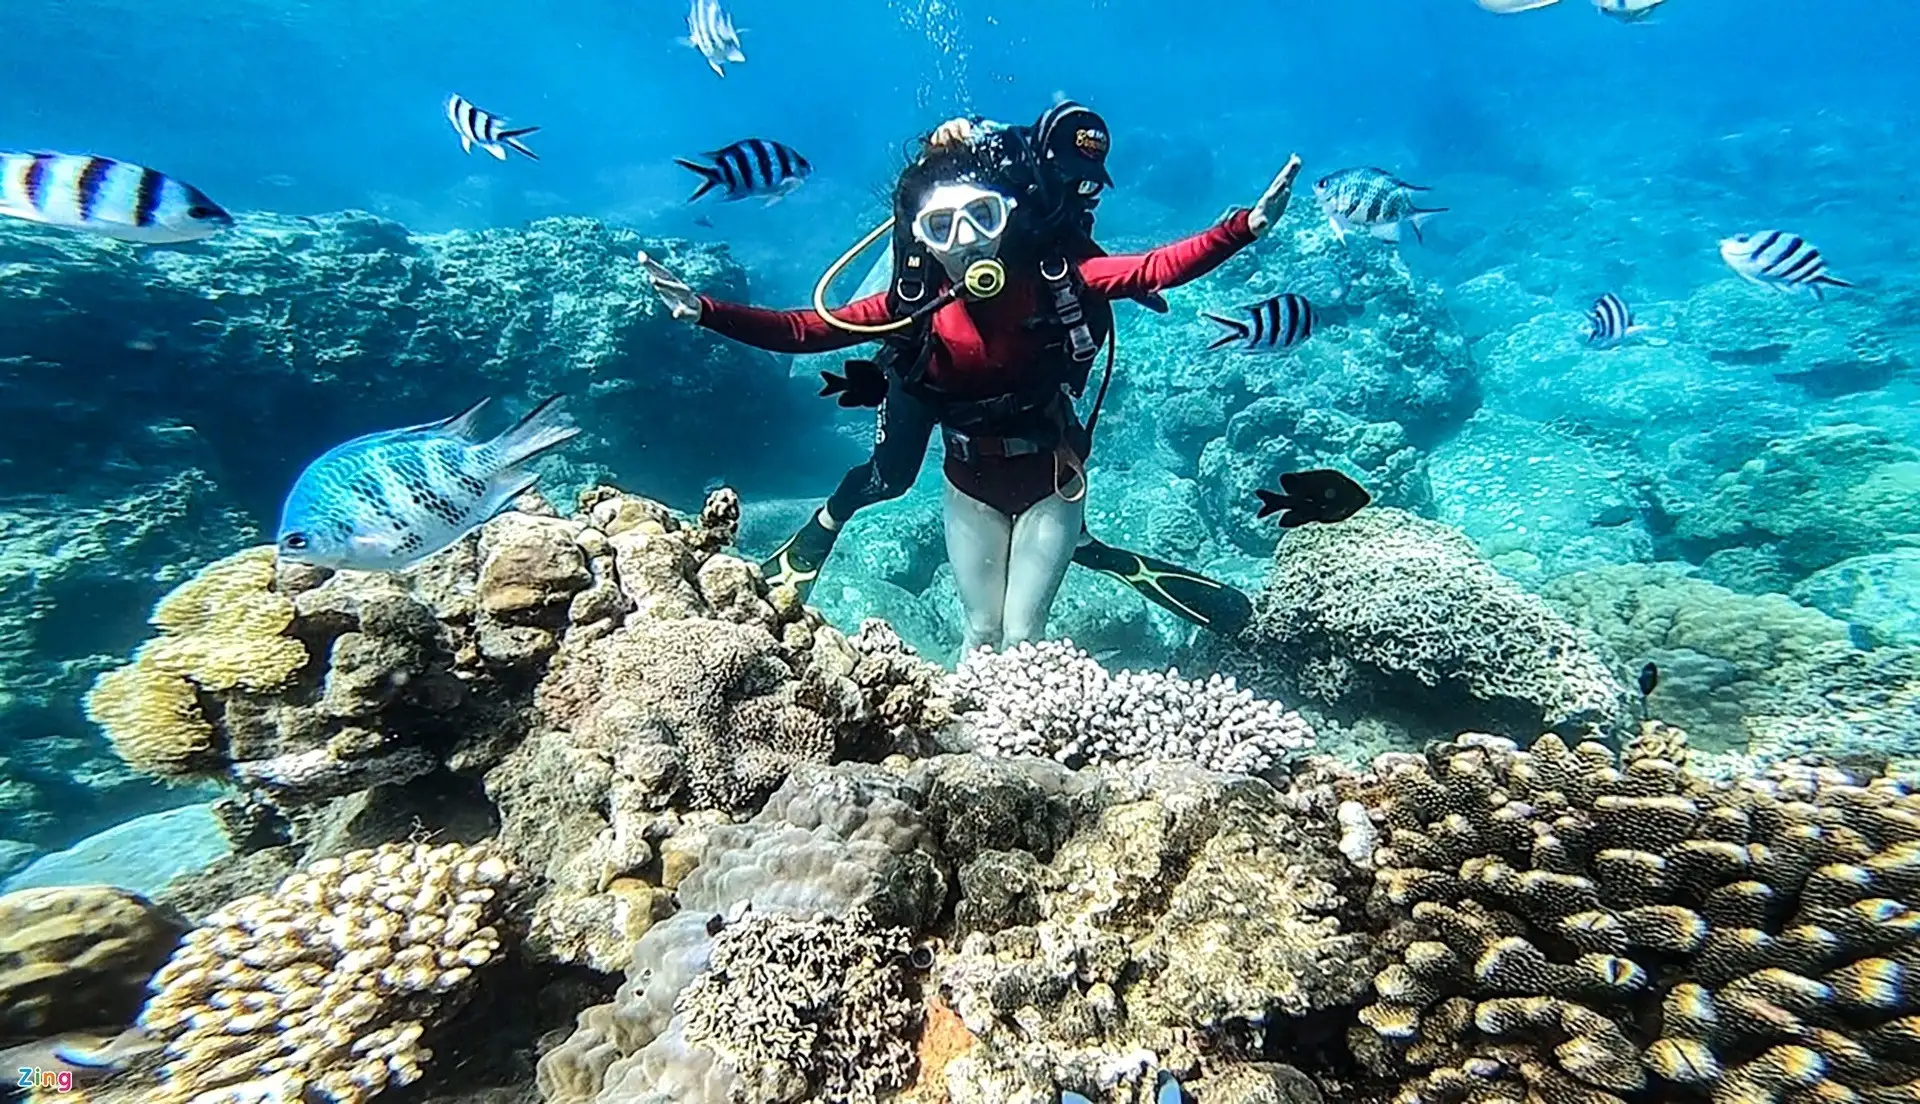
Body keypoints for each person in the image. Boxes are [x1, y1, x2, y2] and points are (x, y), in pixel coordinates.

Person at [640, 115, 1300, 648]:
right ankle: (835, 514)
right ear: (920, 238)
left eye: (981, 217)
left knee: (1021, 634)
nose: (965, 241)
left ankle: (1077, 541)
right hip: (965, 474)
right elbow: (808, 328)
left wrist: (1243, 227)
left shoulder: (1055, 275)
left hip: (1050, 474)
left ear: (1005, 214)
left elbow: (1151, 268)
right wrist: (705, 312)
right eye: (941, 227)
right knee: (957, 591)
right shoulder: (910, 303)